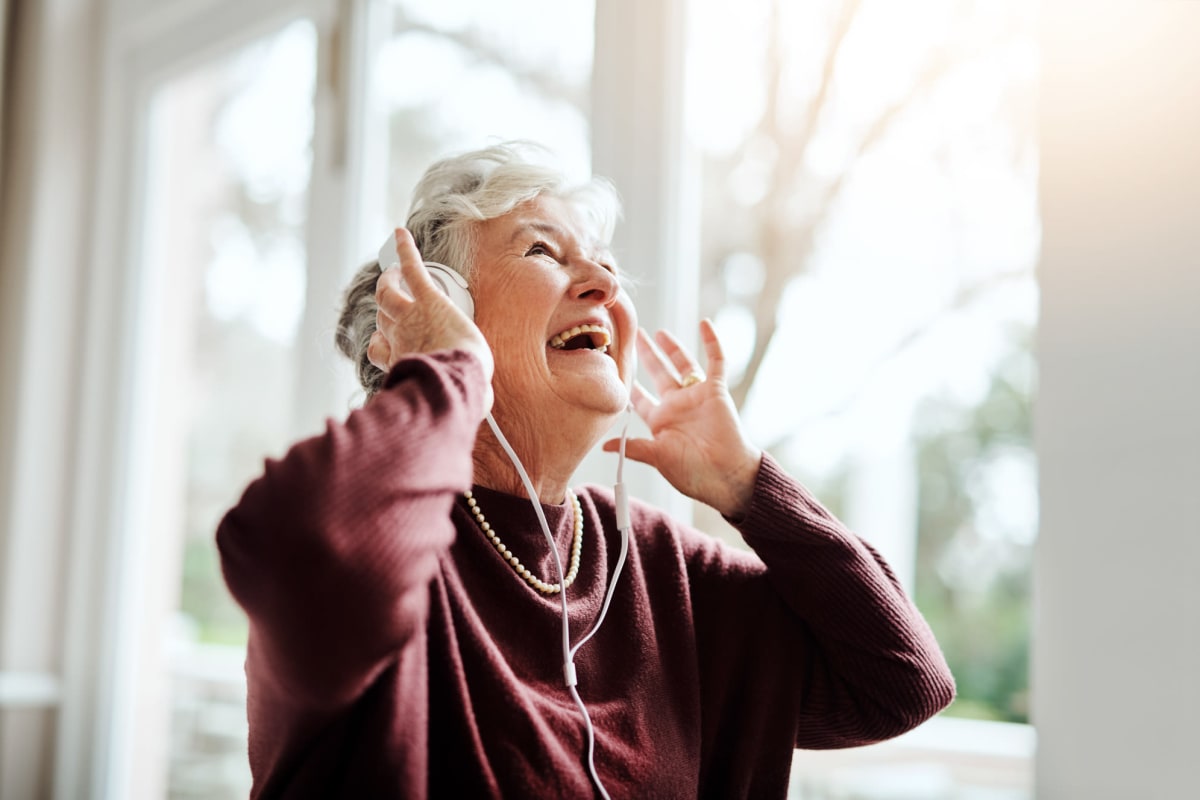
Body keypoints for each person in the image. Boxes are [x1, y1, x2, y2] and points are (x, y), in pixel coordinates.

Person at [217, 143, 955, 799]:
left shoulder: (659, 562)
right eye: (544, 252)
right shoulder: (369, 530)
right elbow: (291, 548)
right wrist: (446, 372)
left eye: (603, 262)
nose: (602, 282)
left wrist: (749, 488)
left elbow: (900, 681)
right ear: (441, 307)